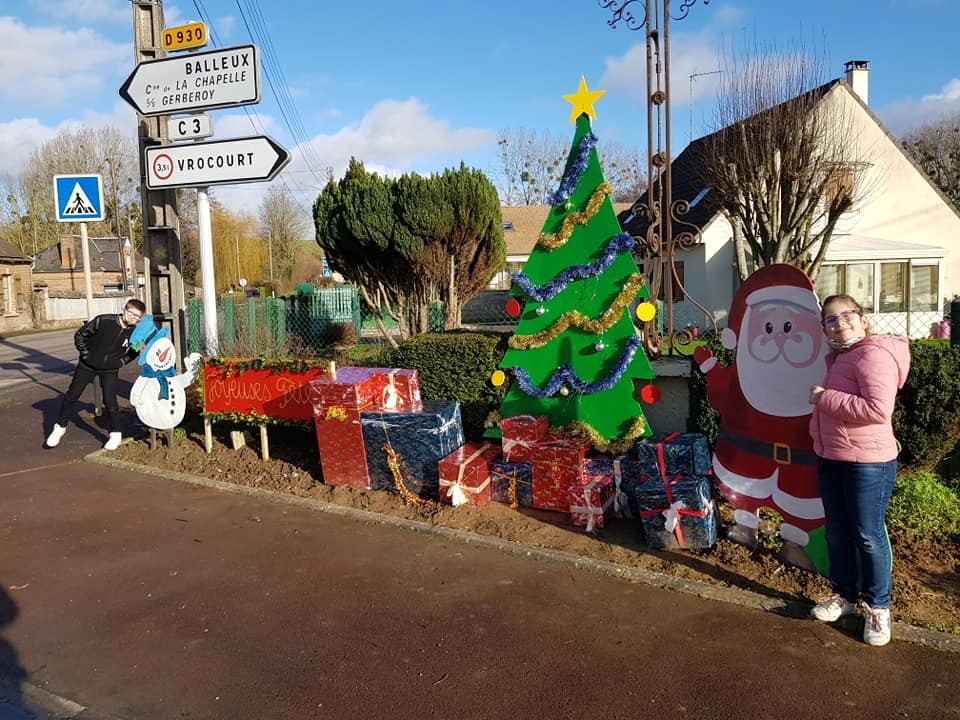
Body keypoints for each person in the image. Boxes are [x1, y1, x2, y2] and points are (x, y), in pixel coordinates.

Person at [807, 294, 911, 646]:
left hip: (869, 463)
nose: (839, 323)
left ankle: (879, 607)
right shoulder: (840, 357)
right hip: (833, 457)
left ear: (862, 318)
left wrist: (824, 398)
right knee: (837, 531)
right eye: (831, 320)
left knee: (868, 535)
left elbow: (877, 410)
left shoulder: (874, 355)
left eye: (846, 315)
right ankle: (844, 597)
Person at [45, 298, 147, 451]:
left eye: (137, 317)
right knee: (72, 395)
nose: (133, 318)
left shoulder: (134, 332)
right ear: (124, 310)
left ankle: (115, 434)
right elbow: (80, 335)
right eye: (131, 313)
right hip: (87, 365)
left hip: (110, 369)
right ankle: (60, 427)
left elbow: (135, 350)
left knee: (110, 401)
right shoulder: (103, 321)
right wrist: (86, 355)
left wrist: (121, 362)